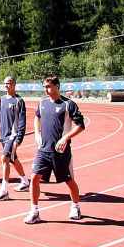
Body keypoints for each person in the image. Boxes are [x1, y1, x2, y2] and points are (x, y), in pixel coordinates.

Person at [24, 76, 85, 224]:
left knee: (69, 181)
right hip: (43, 150)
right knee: (34, 178)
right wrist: (37, 133)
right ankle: (34, 211)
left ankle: (76, 206)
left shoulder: (68, 104)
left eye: (49, 86)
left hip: (61, 152)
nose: (46, 89)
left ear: (57, 86)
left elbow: (80, 126)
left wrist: (65, 138)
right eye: (45, 86)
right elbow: (37, 117)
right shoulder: (42, 102)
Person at [0, 77, 30, 201]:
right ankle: (25, 181)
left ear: (14, 85)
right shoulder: (2, 99)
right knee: (13, 159)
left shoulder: (19, 101)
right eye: (4, 84)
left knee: (4, 158)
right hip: (3, 135)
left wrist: (18, 139)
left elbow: (22, 122)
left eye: (8, 83)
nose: (6, 86)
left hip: (12, 136)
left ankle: (4, 190)